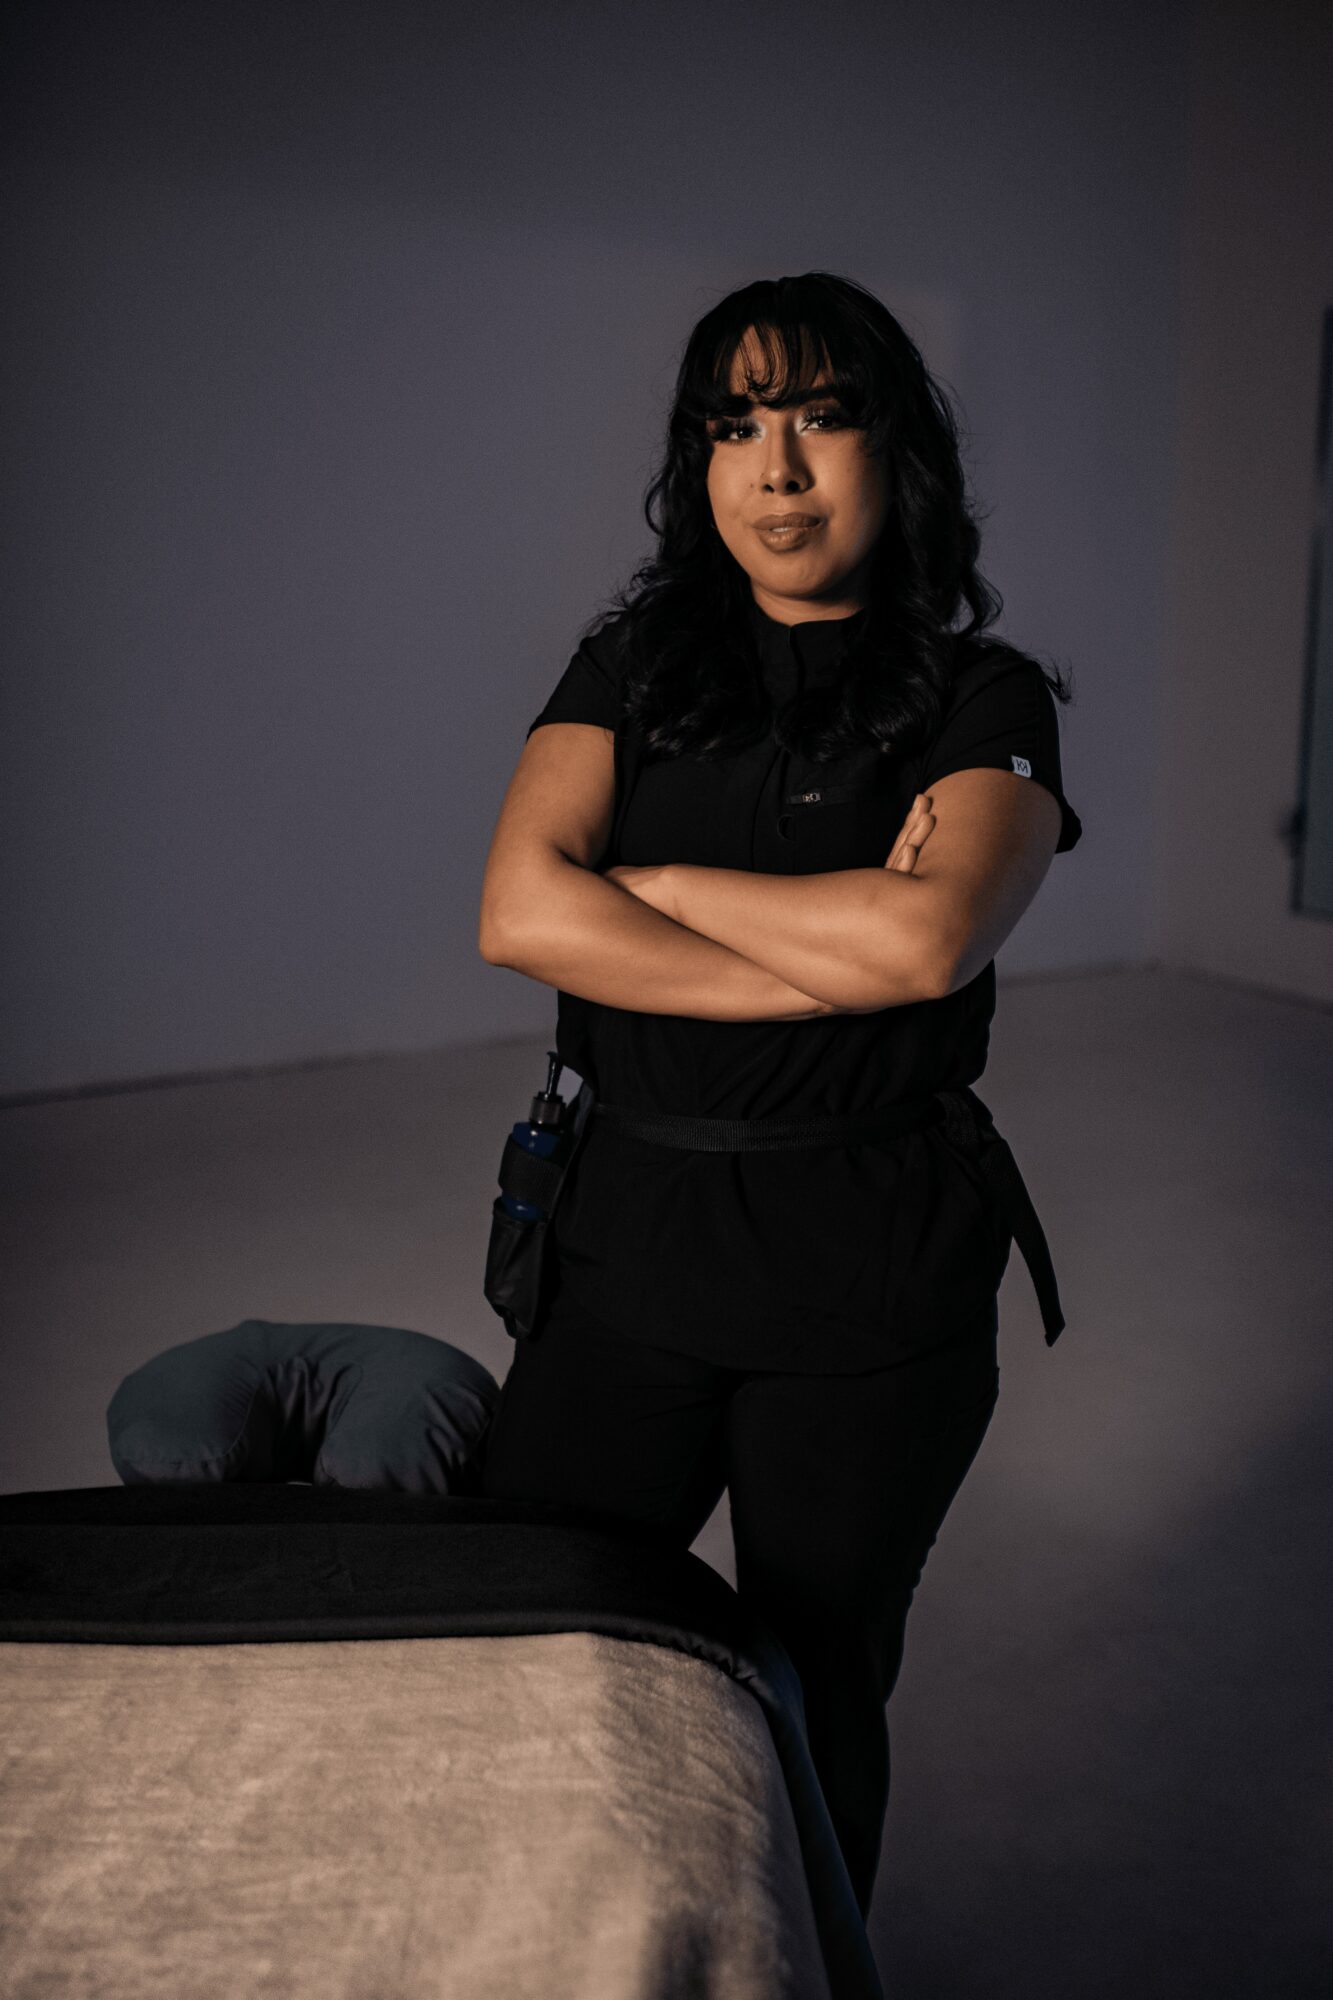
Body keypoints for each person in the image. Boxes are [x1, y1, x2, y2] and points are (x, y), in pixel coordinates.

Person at [476, 270, 1082, 1918]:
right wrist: (828, 956)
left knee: (812, 1689)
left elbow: (928, 937)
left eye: (823, 417)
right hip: (622, 1254)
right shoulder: (629, 665)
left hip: (870, 1278)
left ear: (898, 449)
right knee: (539, 1639)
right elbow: (519, 912)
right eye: (736, 425)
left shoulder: (983, 696)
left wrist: (653, 886)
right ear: (699, 460)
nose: (780, 468)